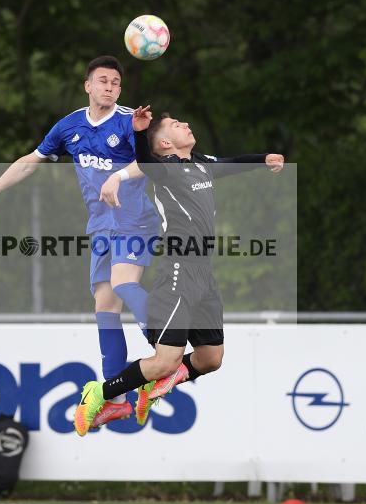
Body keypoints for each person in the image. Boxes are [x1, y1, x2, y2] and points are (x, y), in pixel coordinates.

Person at [0, 55, 161, 428]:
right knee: (104, 306)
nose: (109, 87)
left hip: (134, 220)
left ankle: (166, 351)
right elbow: (30, 161)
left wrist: (118, 176)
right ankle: (115, 396)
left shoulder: (129, 122)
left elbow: (150, 163)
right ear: (88, 85)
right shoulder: (69, 127)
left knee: (124, 283)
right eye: (103, 81)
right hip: (102, 227)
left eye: (116, 82)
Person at [74, 107, 284, 435]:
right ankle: (99, 393)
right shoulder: (166, 170)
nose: (185, 124)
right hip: (179, 270)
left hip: (204, 274)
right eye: (175, 125)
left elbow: (230, 164)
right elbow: (144, 162)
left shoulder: (201, 163)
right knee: (164, 361)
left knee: (210, 358)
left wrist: (263, 159)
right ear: (166, 145)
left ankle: (152, 387)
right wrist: (141, 134)